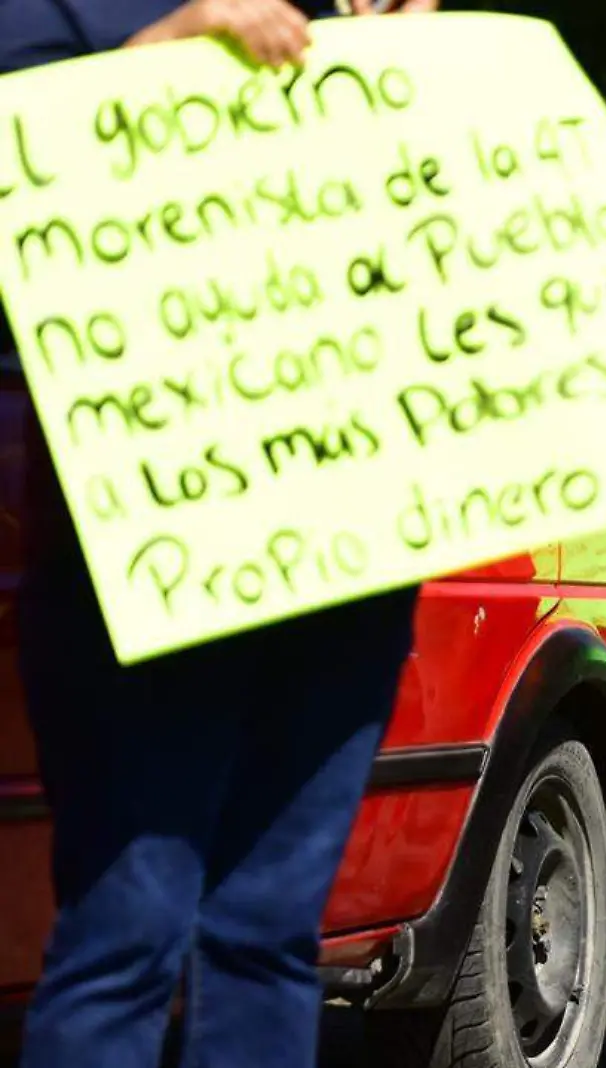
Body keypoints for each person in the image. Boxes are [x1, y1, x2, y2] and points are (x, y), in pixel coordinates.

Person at [2, 2, 432, 1067]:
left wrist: (418, 64)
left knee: (270, 938)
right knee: (126, 938)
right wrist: (164, 51)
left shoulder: (370, 13)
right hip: (151, 536)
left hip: (348, 548)